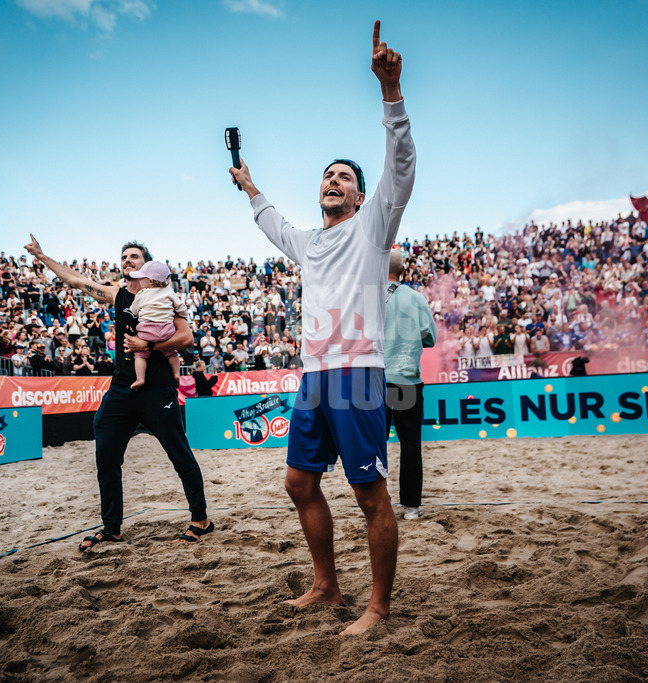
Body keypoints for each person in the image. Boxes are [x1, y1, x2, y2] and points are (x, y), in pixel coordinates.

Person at [228, 20, 414, 635]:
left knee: (369, 497)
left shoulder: (372, 227)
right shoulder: (308, 243)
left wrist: (391, 93)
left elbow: (403, 167)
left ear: (361, 198)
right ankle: (327, 586)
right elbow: (270, 220)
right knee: (297, 482)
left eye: (344, 177)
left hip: (360, 376)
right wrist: (251, 186)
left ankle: (379, 609)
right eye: (327, 175)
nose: (332, 180)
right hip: (313, 378)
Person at [24, 235, 212, 548]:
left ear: (147, 265)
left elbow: (186, 339)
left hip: (157, 389)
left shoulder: (165, 296)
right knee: (106, 456)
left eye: (134, 256)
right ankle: (111, 528)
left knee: (180, 454)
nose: (127, 260)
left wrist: (148, 345)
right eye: (124, 256)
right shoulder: (118, 295)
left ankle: (201, 520)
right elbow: (75, 279)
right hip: (122, 388)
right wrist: (43, 257)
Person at [383, 249, 436, 521]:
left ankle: (378, 502)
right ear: (403, 270)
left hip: (375, 381)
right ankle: (412, 507)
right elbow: (430, 339)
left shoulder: (367, 299)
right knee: (410, 445)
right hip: (407, 380)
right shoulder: (416, 299)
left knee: (373, 445)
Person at [127, 260, 184, 389]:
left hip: (147, 332)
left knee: (140, 355)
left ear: (150, 281)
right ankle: (176, 373)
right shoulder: (169, 291)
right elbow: (180, 307)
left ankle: (140, 378)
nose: (139, 281)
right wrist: (183, 316)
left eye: (141, 278)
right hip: (166, 330)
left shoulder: (142, 294)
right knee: (172, 353)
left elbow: (133, 310)